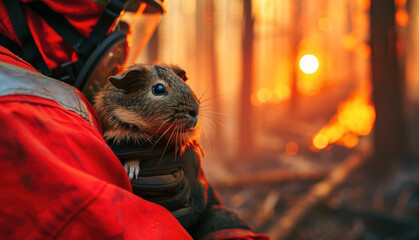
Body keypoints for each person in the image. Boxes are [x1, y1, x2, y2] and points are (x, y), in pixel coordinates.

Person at [0, 0, 269, 239]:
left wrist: (211, 212)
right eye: (113, 18)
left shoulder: (55, 89)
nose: (122, 43)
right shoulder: (19, 113)